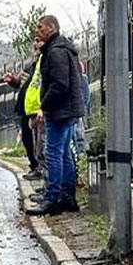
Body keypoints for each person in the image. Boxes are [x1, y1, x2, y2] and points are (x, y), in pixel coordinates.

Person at [26, 15, 85, 215]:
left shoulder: (56, 52)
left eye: (40, 27)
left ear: (51, 28)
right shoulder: (63, 48)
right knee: (65, 154)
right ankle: (67, 195)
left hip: (59, 111)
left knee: (53, 153)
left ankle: (53, 197)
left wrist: (44, 106)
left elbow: (59, 84)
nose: (38, 30)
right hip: (68, 109)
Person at [2, 41, 45, 180]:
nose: (35, 51)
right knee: (28, 139)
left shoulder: (46, 65)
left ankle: (40, 168)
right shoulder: (29, 67)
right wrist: (12, 80)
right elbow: (20, 83)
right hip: (26, 108)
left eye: (38, 47)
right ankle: (34, 165)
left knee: (39, 141)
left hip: (37, 108)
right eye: (34, 48)